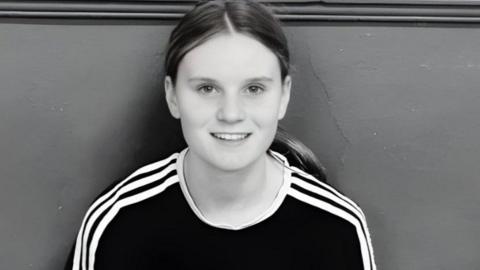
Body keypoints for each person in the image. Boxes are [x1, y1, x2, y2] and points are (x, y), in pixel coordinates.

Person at [65, 0, 375, 269]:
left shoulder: (338, 228)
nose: (230, 113)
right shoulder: (118, 220)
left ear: (283, 96)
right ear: (173, 96)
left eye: (254, 89)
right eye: (207, 88)